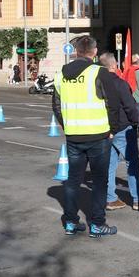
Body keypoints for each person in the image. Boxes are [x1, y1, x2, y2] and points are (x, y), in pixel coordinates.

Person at [52, 35, 119, 237]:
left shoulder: (61, 74)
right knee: (99, 181)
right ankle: (97, 224)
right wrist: (113, 129)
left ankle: (71, 222)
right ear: (94, 51)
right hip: (99, 135)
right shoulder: (99, 72)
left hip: (74, 136)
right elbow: (113, 103)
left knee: (73, 180)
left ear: (76, 52)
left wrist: (67, 125)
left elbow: (56, 105)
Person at [99, 53, 139, 212]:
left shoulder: (98, 83)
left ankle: (110, 198)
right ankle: (138, 199)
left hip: (105, 128)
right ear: (114, 65)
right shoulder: (119, 83)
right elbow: (130, 106)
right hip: (122, 127)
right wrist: (135, 122)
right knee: (132, 163)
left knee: (110, 164)